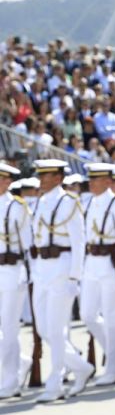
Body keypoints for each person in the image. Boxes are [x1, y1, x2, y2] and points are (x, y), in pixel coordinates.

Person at [30, 159, 94, 401]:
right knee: (44, 329)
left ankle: (54, 383)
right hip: (42, 269)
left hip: (62, 267)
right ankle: (80, 366)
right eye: (40, 175)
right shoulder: (40, 202)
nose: (41, 180)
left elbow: (79, 242)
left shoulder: (69, 202)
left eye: (46, 176)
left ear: (57, 178)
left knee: (56, 330)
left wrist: (75, 276)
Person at [81, 163, 115, 386]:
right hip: (92, 263)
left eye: (96, 179)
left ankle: (113, 368)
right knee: (88, 315)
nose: (91, 183)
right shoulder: (90, 201)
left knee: (112, 317)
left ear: (108, 182)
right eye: (90, 179)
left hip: (111, 263)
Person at [0, 163, 32, 399]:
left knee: (9, 327)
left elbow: (28, 244)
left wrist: (29, 275)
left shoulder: (17, 207)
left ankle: (10, 381)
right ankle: (20, 363)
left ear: (7, 181)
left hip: (12, 269)